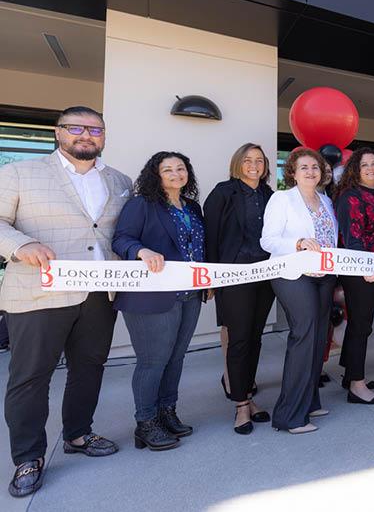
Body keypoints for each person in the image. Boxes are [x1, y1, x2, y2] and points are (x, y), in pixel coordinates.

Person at [0, 106, 131, 497]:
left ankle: (78, 433)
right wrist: (22, 244)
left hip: (98, 293)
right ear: (59, 133)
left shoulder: (120, 180)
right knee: (30, 377)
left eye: (95, 129)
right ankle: (28, 457)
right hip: (39, 292)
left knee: (89, 367)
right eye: (76, 128)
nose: (86, 135)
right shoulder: (21, 172)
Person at [112, 151, 205, 450]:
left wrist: (209, 282)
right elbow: (121, 239)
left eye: (181, 168)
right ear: (156, 174)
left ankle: (167, 412)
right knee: (153, 361)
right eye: (168, 169)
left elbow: (198, 246)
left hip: (189, 293)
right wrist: (142, 251)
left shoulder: (192, 207)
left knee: (176, 358)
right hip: (150, 295)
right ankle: (146, 423)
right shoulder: (142, 205)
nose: (176, 173)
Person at [261, 148, 337, 433]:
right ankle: (289, 415)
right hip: (294, 274)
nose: (310, 171)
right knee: (304, 334)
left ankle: (310, 401)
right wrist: (298, 243)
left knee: (319, 337)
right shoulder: (282, 199)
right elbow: (267, 240)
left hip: (324, 275)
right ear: (292, 172)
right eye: (303, 167)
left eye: (315, 167)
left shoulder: (327, 202)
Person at [203, 143, 275, 435]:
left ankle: (247, 394)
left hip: (267, 274)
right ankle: (241, 405)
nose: (254, 164)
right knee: (239, 339)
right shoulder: (223, 192)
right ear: (238, 163)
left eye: (259, 160)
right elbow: (211, 236)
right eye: (248, 160)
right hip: (234, 275)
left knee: (256, 337)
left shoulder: (270, 195)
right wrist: (211, 278)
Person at [334, 147, 374, 405]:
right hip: (361, 270)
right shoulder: (350, 195)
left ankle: (351, 375)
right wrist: (363, 268)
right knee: (360, 325)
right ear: (355, 170)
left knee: (364, 323)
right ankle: (357, 387)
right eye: (364, 165)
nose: (371, 169)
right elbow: (352, 238)